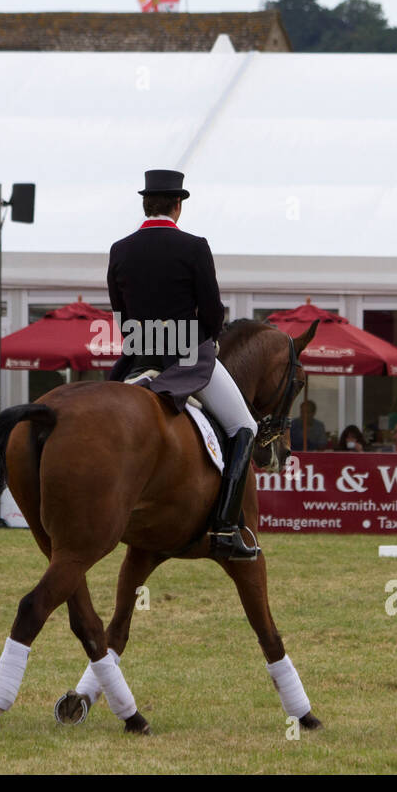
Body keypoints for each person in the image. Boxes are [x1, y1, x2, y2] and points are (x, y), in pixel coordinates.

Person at [104, 169, 262, 560]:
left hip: (138, 358)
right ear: (177, 206)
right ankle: (225, 527)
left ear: (146, 204)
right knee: (245, 426)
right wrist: (208, 332)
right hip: (187, 358)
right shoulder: (194, 247)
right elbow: (211, 310)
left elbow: (120, 312)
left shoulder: (120, 249)